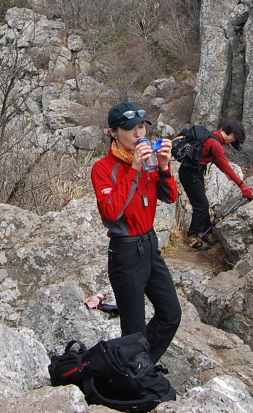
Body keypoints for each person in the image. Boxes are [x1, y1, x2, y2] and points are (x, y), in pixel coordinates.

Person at [91, 101, 181, 365]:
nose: (139, 134)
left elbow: (170, 197)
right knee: (134, 329)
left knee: (170, 314)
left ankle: (141, 366)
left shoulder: (148, 161)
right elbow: (111, 212)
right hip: (126, 251)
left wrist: (164, 167)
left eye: (141, 127)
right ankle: (136, 375)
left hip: (150, 245)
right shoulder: (103, 168)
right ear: (113, 132)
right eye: (131, 129)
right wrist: (134, 170)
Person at [180, 120, 253, 250]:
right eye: (234, 139)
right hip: (190, 174)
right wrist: (242, 185)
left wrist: (229, 177)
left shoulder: (214, 136)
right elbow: (226, 165)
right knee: (201, 205)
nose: (232, 142)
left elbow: (218, 162)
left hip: (193, 172)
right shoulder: (216, 144)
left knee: (203, 203)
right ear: (231, 134)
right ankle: (193, 235)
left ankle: (206, 233)